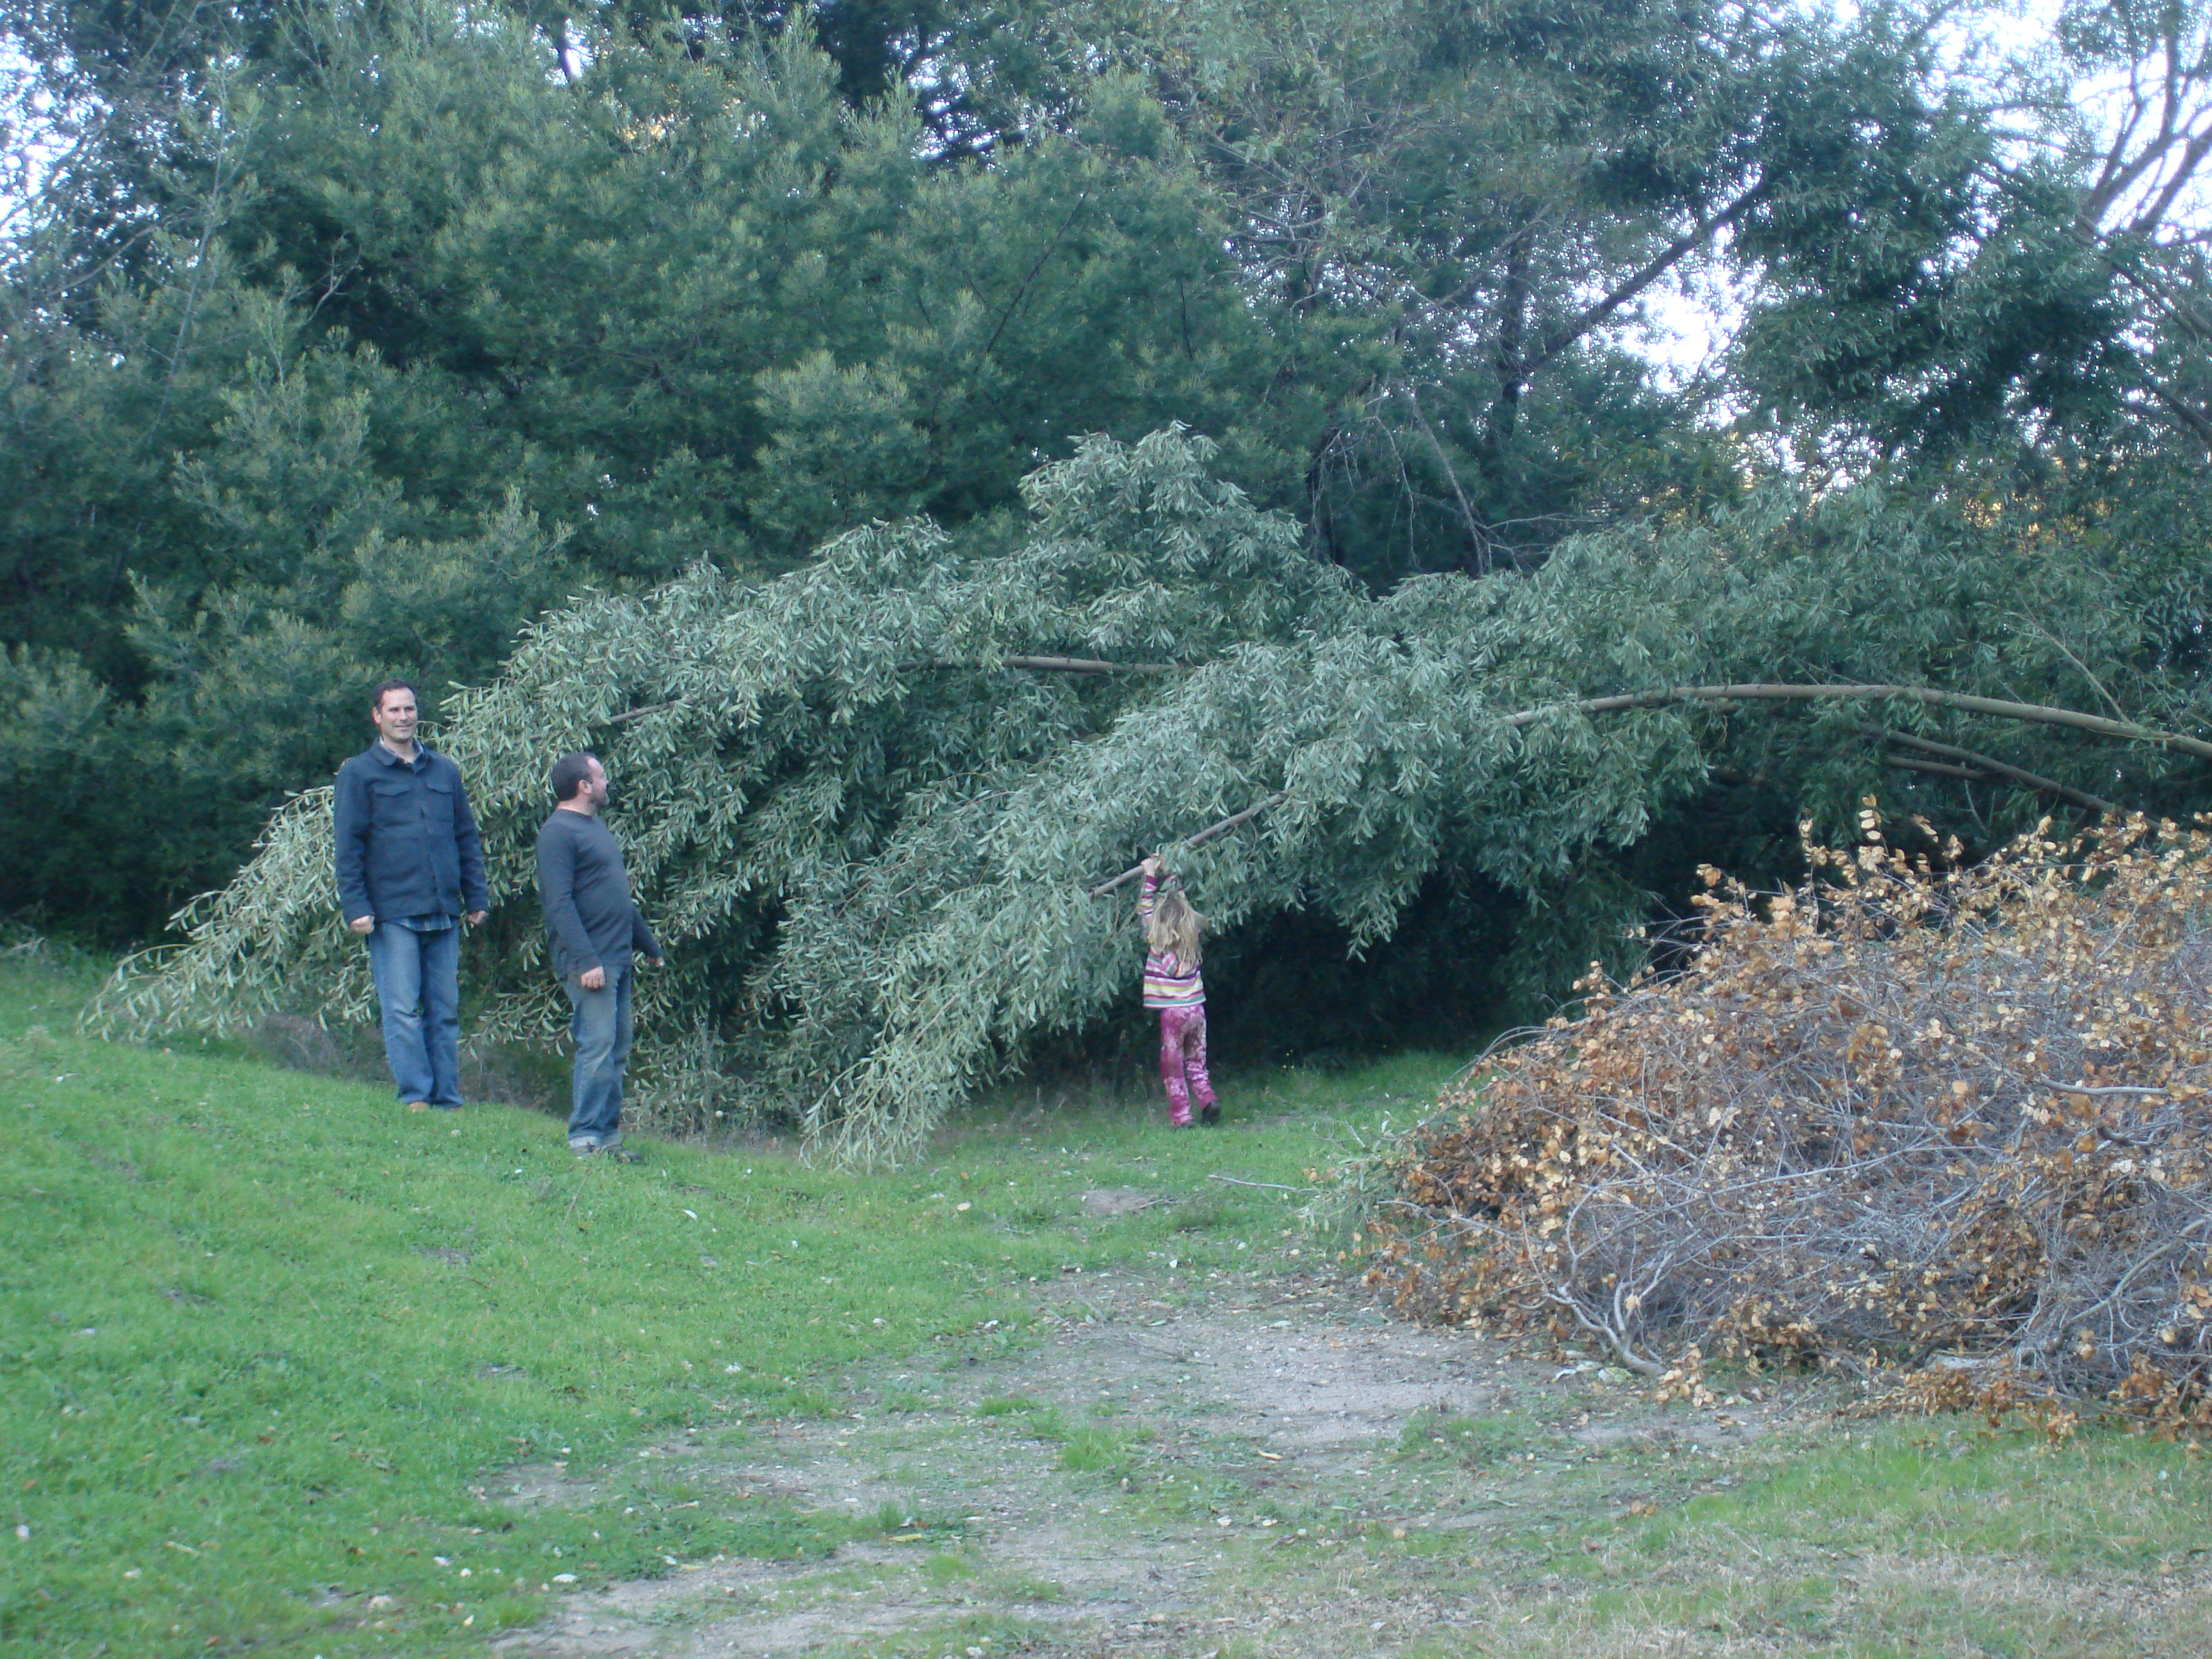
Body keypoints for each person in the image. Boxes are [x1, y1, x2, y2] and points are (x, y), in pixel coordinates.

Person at [333, 678, 490, 1113]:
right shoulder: (358, 773)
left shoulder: (444, 770)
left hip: (443, 908)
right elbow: (348, 847)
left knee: (445, 1010)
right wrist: (356, 907)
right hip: (392, 912)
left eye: (409, 709)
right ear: (377, 716)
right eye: (394, 710)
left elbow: (465, 837)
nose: (403, 717)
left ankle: (448, 1098)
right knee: (402, 1010)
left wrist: (476, 897)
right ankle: (416, 1096)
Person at [536, 752, 663, 1158]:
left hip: (617, 956)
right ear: (584, 786)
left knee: (617, 1048)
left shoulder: (595, 829)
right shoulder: (557, 833)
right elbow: (558, 904)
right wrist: (586, 961)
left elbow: (617, 897)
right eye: (601, 776)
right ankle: (585, 1137)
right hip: (591, 961)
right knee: (598, 1045)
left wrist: (648, 945)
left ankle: (608, 1138)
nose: (607, 783)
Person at [1137, 855, 1218, 1128]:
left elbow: (1145, 908)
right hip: (1196, 1010)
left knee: (1173, 1066)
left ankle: (1182, 1116)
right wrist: (1169, 872)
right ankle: (1208, 1100)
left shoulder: (1157, 940)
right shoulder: (1191, 937)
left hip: (1173, 1014)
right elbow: (1181, 902)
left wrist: (1150, 874)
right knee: (1196, 1060)